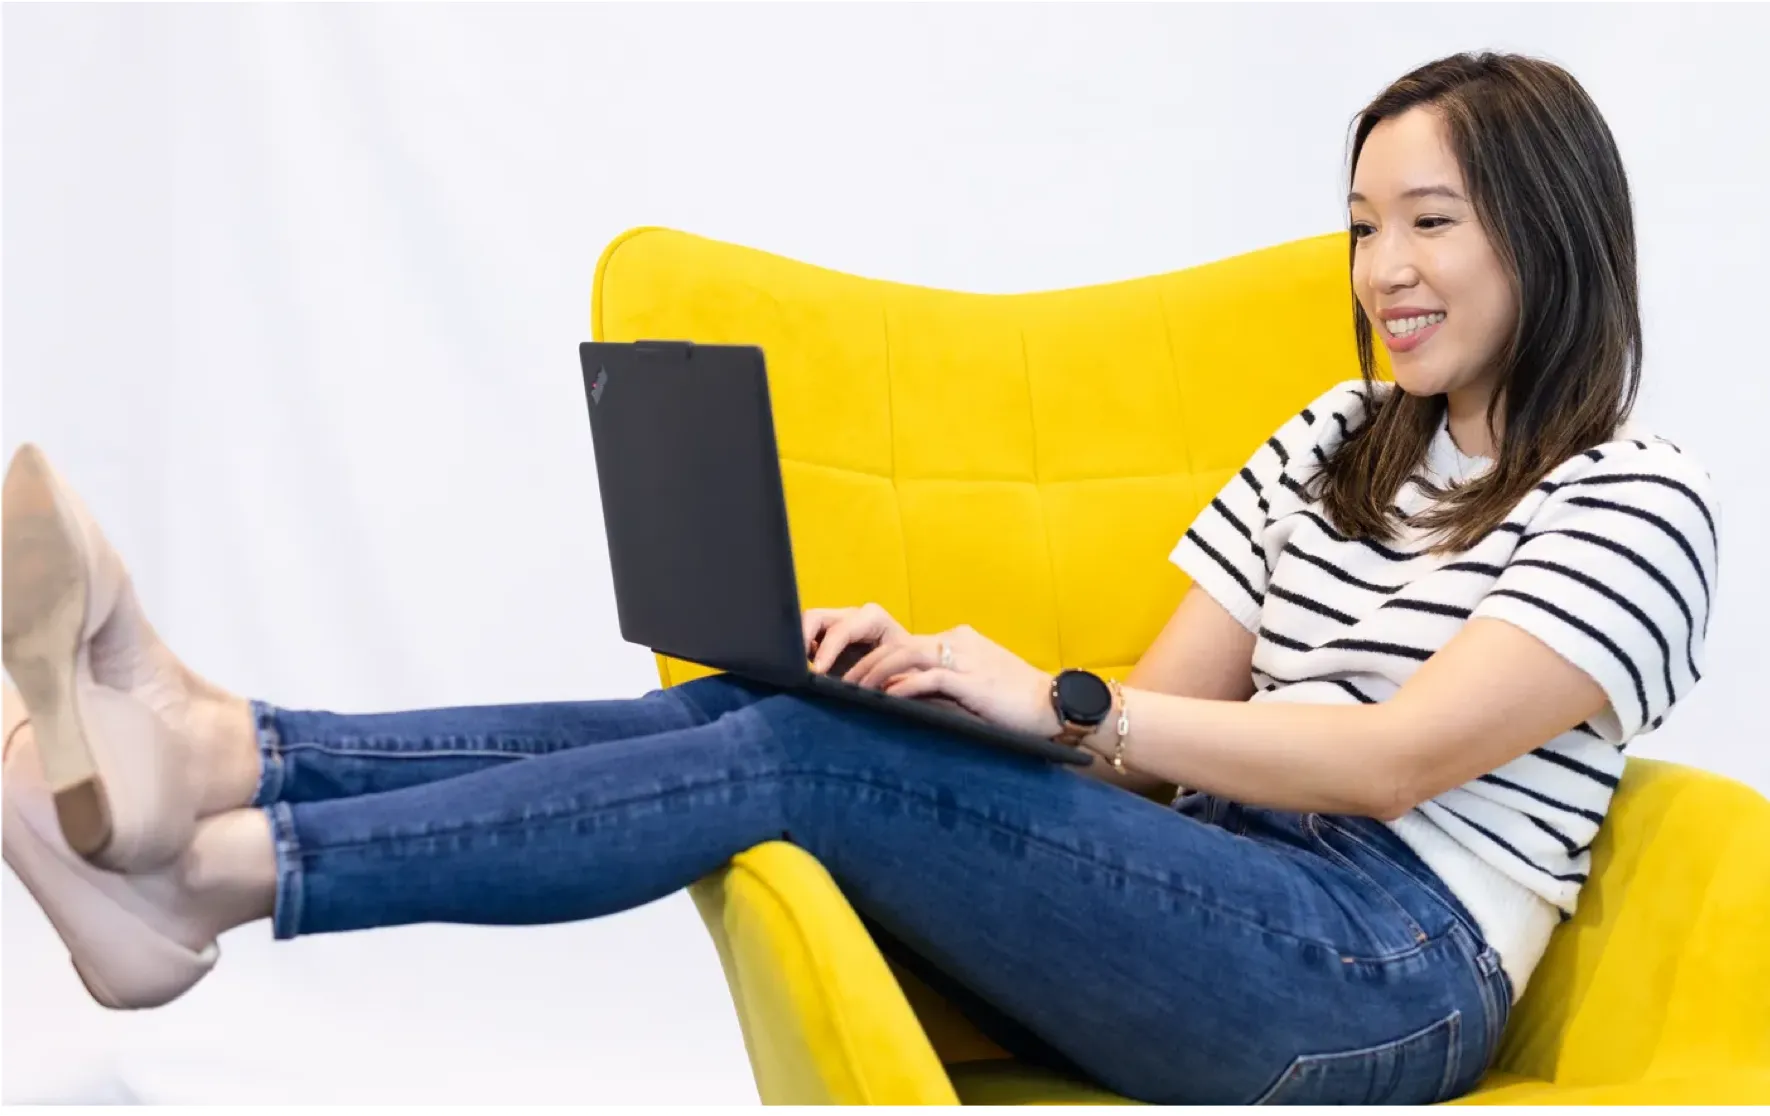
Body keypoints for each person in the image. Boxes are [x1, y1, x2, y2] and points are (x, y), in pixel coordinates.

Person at [1, 50, 1719, 1105]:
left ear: (1545, 231)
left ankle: (216, 878)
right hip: (1216, 900)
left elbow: (1392, 761)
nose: (1382, 268)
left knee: (802, 764)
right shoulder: (1339, 435)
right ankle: (217, 745)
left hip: (1377, 985)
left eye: (1428, 220)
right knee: (792, 703)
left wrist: (1055, 704)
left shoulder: (1636, 504)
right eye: (1361, 224)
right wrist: (961, 683)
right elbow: (1160, 715)